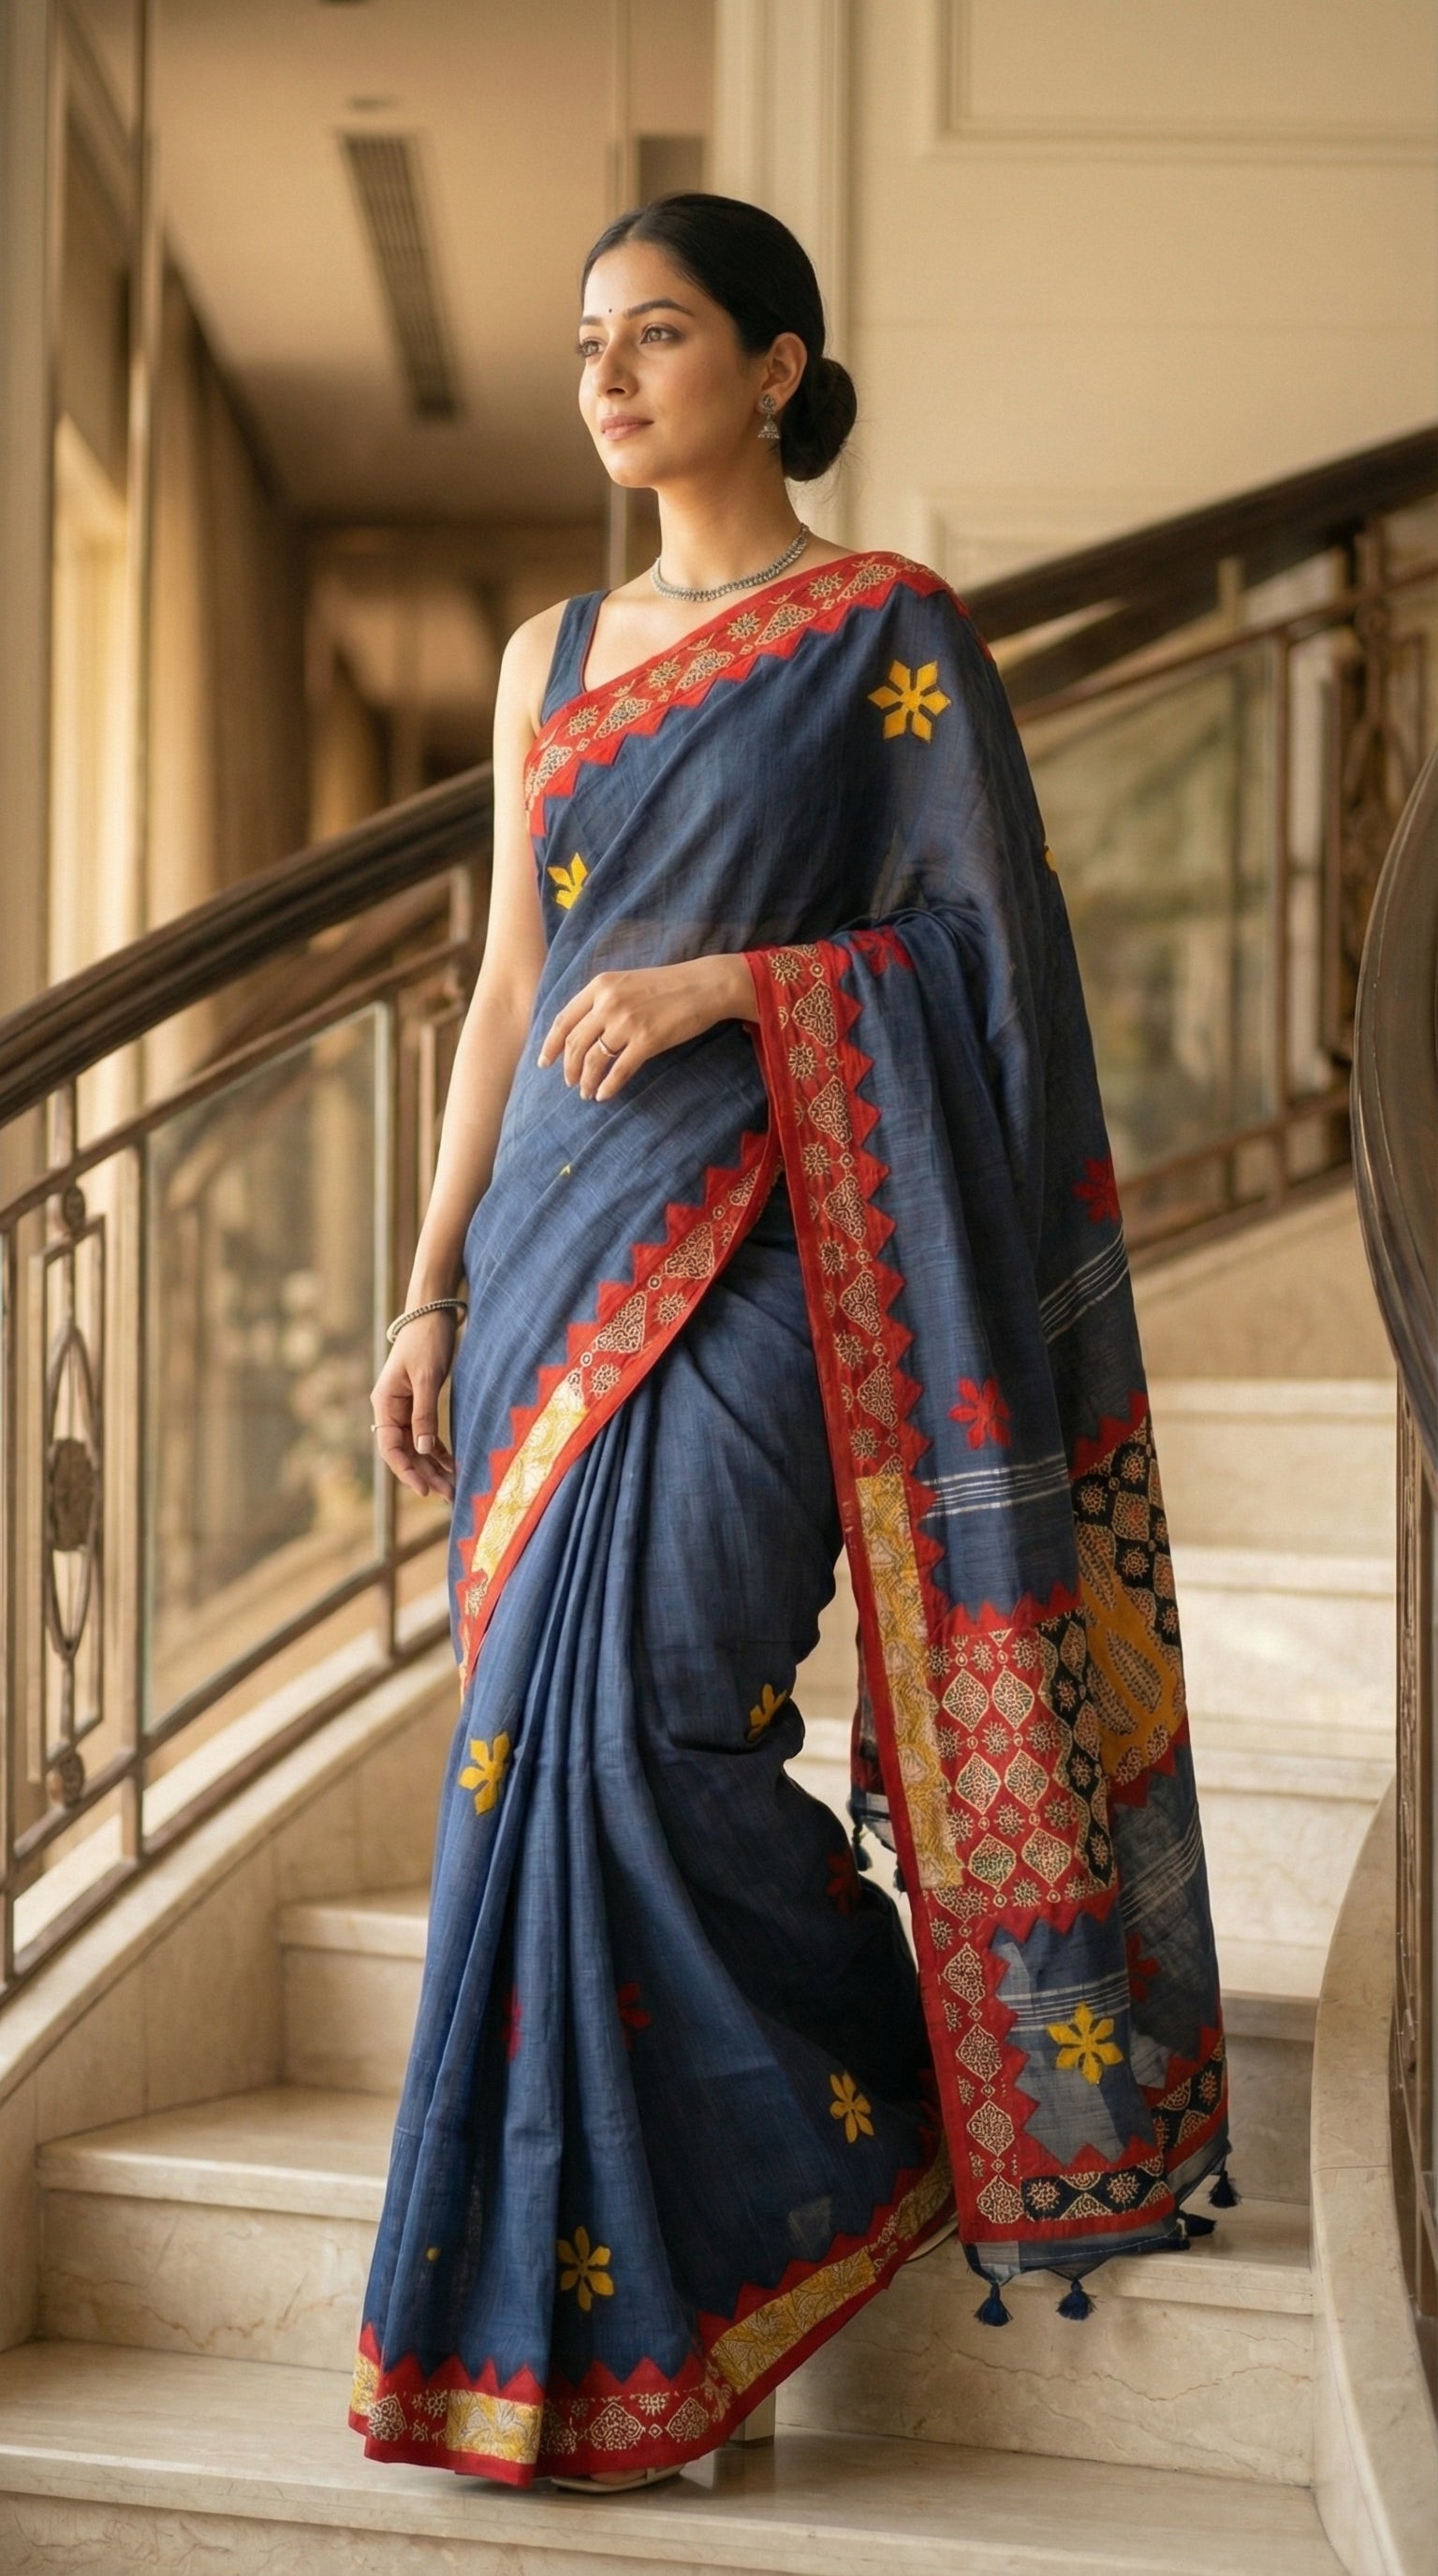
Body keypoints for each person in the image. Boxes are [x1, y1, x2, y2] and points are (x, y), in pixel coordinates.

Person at [349, 193, 1229, 2495]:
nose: (606, 377)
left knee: (664, 1726)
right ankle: (618, 2324)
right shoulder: (551, 653)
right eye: (585, 341)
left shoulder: (883, 632)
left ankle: (880, 2122)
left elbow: (988, 965)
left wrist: (741, 985)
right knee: (527, 1755)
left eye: (656, 335)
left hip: (764, 1249)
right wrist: (430, 1278)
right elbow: (506, 991)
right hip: (549, 1257)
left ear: (773, 366)